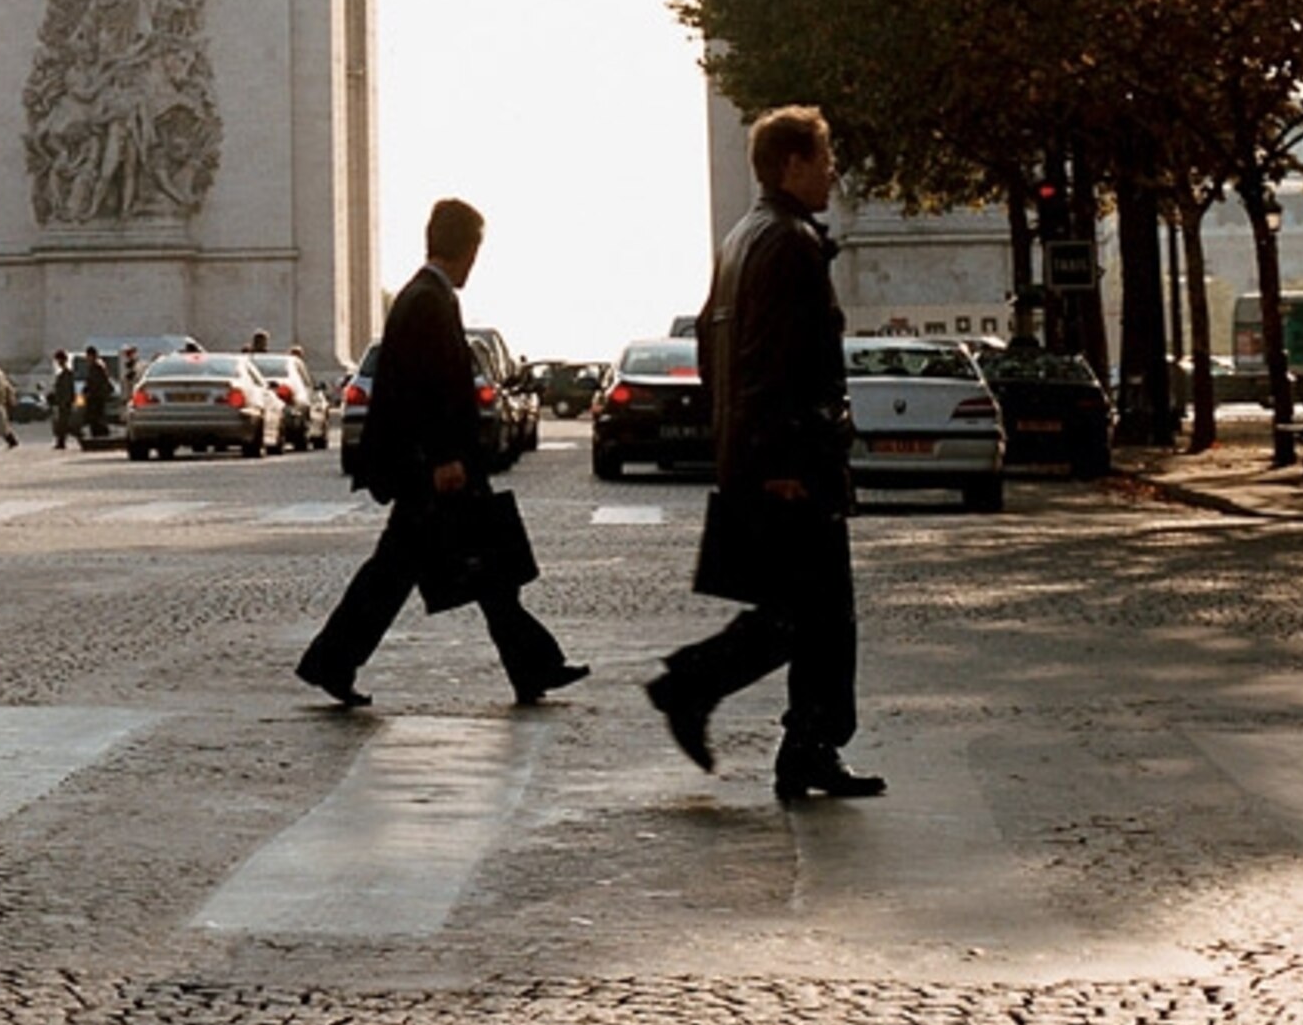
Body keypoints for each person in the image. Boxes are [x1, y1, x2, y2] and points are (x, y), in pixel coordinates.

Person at [645, 105, 882, 801]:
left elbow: (716, 355)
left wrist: (742, 451)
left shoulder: (741, 238)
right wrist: (782, 462)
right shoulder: (789, 244)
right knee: (819, 618)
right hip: (791, 465)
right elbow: (774, 362)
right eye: (825, 155)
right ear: (791, 165)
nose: (834, 169)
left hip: (760, 457)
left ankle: (799, 745)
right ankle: (702, 693)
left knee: (800, 616)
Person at [296, 198, 588, 710]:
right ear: (468, 248)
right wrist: (443, 457)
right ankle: (334, 660)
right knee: (451, 568)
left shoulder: (423, 295)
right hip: (434, 469)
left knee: (459, 568)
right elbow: (427, 392)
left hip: (427, 465)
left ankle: (531, 666)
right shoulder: (430, 300)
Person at [76, 345, 116, 442]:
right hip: (96, 396)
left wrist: (88, 391)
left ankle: (100, 436)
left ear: (92, 356)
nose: (87, 358)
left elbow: (96, 382)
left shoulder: (97, 367)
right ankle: (99, 435)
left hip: (96, 397)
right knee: (95, 417)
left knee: (96, 417)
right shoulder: (95, 366)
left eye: (88, 356)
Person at [48, 349, 79, 449]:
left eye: (58, 360)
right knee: (63, 424)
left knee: (64, 424)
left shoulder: (66, 374)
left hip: (65, 403)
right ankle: (61, 442)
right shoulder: (63, 374)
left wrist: (64, 401)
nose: (57, 363)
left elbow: (67, 390)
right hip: (63, 402)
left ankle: (62, 442)